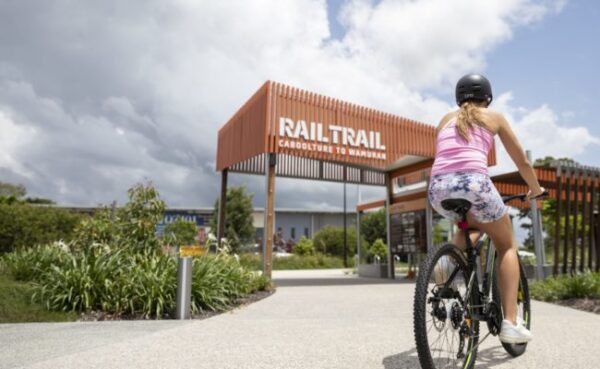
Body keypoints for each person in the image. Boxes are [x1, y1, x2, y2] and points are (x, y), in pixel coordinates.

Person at [427, 73, 546, 344]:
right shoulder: (494, 117)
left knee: (470, 226)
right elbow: (522, 163)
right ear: (487, 98)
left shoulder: (445, 120)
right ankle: (510, 323)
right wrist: (536, 189)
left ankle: (445, 276)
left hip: (438, 189)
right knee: (506, 245)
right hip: (475, 184)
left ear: (458, 99)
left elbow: (448, 159)